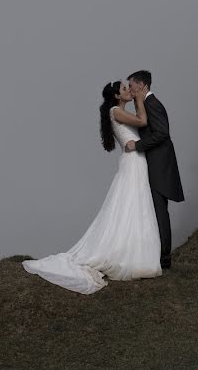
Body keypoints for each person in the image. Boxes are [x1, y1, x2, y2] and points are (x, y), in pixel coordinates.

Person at [22, 80, 162, 294]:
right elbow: (142, 121)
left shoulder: (118, 111)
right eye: (125, 90)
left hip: (135, 160)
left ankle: (136, 254)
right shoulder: (116, 111)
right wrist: (141, 99)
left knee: (134, 205)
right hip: (133, 161)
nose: (129, 92)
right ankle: (129, 255)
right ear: (116, 95)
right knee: (131, 204)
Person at [124, 70, 184, 270]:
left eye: (131, 85)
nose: (130, 89)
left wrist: (137, 145)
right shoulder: (146, 104)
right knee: (155, 211)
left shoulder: (152, 104)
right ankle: (157, 256)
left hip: (159, 166)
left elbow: (162, 134)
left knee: (160, 212)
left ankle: (164, 259)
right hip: (154, 165)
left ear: (142, 85)